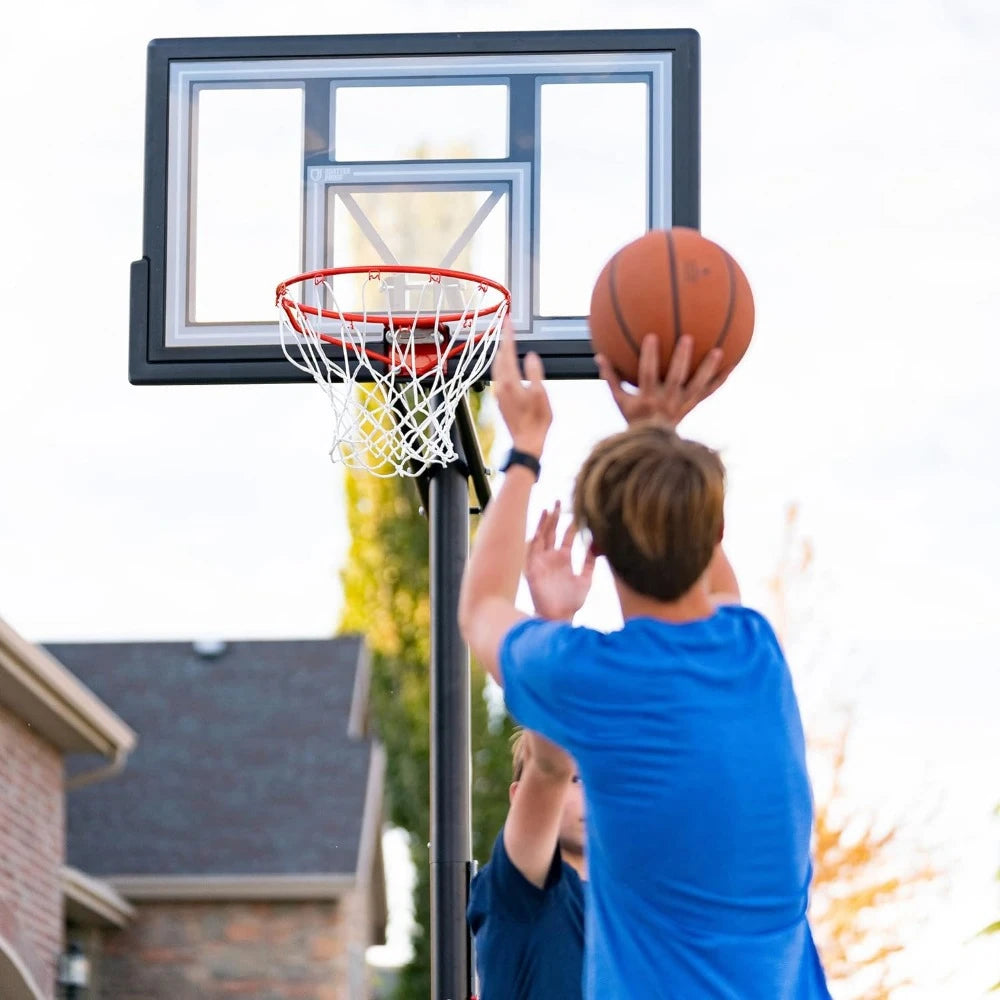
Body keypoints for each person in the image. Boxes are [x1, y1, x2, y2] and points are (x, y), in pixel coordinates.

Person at [458, 327, 832, 999]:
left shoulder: (600, 685)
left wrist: (523, 451)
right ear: (714, 530)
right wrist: (658, 435)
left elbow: (481, 608)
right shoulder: (755, 652)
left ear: (596, 547)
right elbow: (710, 591)